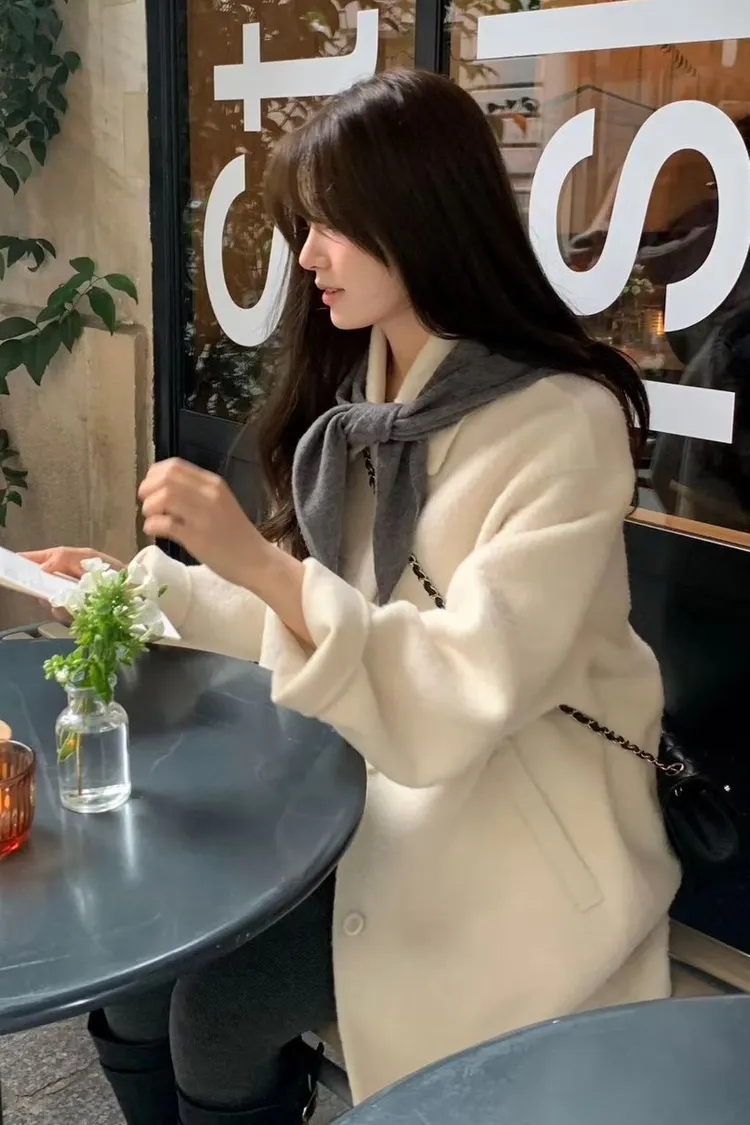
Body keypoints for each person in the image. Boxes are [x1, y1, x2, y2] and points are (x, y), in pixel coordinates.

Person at [24, 70, 680, 1125]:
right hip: (354, 790)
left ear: (420, 218)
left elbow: (461, 687)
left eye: (328, 226)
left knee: (215, 1015)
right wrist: (132, 589)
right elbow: (316, 629)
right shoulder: (363, 411)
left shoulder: (562, 423)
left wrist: (261, 563)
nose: (306, 257)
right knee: (136, 978)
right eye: (304, 227)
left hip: (503, 832)